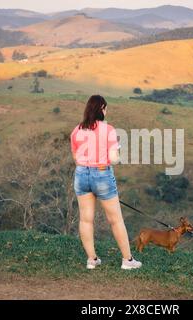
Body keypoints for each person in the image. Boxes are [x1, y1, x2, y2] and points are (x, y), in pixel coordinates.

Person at [70, 95, 142, 270]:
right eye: (106, 108)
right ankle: (127, 260)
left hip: (81, 175)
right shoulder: (108, 129)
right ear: (101, 108)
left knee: (86, 220)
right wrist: (118, 155)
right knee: (115, 220)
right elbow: (113, 158)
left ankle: (92, 260)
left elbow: (75, 157)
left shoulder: (76, 130)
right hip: (101, 174)